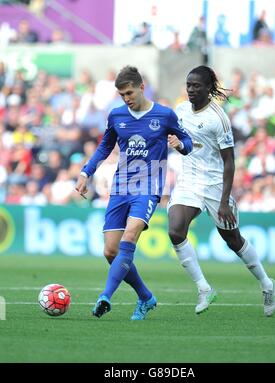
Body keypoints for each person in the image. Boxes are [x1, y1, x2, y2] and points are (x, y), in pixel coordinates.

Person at [75, 66, 193, 320]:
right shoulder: (117, 116)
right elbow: (105, 147)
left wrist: (180, 144)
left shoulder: (164, 115)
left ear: (142, 87)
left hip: (149, 188)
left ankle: (105, 296)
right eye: (122, 95)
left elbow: (189, 143)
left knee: (130, 235)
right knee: (110, 251)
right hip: (120, 188)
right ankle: (145, 297)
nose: (126, 98)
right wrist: (86, 173)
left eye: (129, 92)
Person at [167, 65, 275, 317]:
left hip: (216, 184)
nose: (191, 90)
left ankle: (266, 283)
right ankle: (204, 288)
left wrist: (225, 201)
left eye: (196, 86)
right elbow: (179, 136)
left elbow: (229, 161)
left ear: (208, 88)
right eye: (189, 85)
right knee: (175, 229)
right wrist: (174, 141)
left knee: (232, 240)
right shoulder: (181, 109)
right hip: (189, 181)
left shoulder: (218, 118)